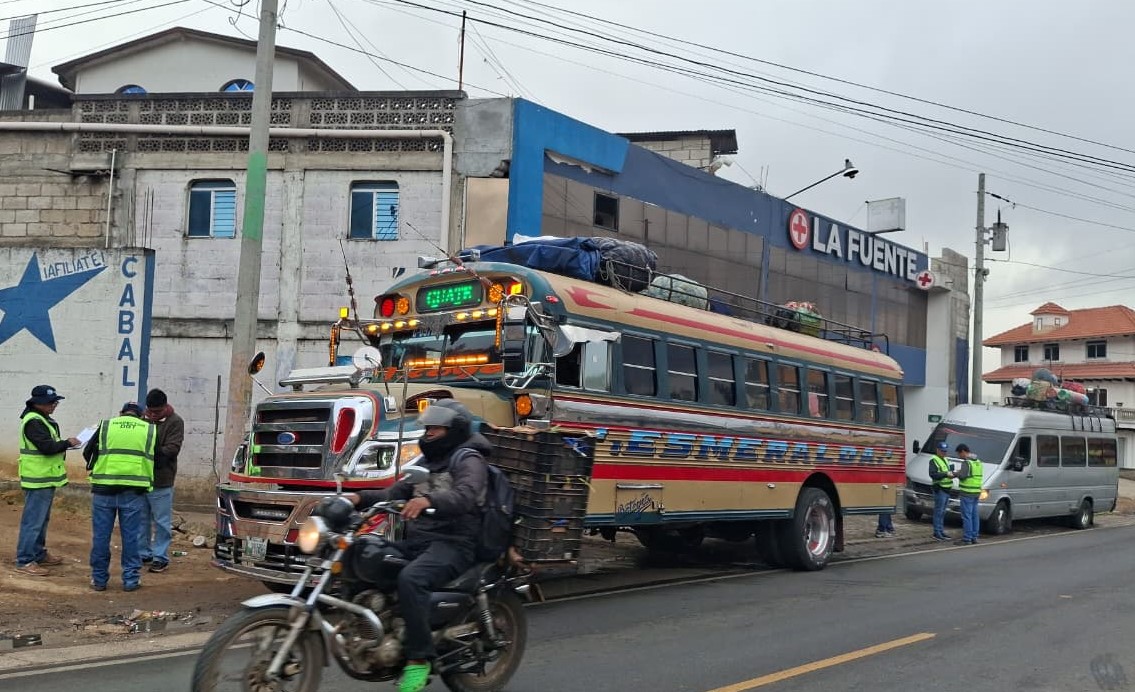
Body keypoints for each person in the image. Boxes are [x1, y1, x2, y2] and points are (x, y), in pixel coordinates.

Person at [342, 399, 488, 692]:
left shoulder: (469, 460)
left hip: (455, 543)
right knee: (364, 554)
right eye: (429, 427)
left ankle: (419, 660)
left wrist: (429, 501)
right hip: (420, 541)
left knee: (412, 579)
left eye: (437, 427)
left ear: (455, 430)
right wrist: (355, 498)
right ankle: (373, 627)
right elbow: (394, 491)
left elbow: (465, 495)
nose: (429, 432)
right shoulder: (426, 463)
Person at [83, 402, 156, 592]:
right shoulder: (148, 429)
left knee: (101, 537)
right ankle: (131, 580)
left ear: (121, 413)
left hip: (103, 489)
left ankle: (99, 580)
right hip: (133, 490)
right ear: (140, 416)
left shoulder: (106, 425)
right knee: (131, 537)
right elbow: (158, 457)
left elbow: (87, 452)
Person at [15, 385, 80, 577]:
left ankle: (38, 553)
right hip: (37, 479)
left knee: (41, 520)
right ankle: (25, 560)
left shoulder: (41, 419)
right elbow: (46, 447)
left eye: (55, 402)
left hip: (43, 478)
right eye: (52, 402)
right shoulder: (34, 421)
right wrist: (68, 443)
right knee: (33, 521)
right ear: (39, 403)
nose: (54, 405)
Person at [139, 388, 184, 573]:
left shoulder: (175, 422)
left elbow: (172, 449)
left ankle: (160, 557)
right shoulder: (142, 419)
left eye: (156, 412)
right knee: (141, 521)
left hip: (162, 480)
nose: (152, 415)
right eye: (150, 411)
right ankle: (143, 553)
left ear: (165, 407)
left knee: (162, 522)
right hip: (141, 479)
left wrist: (151, 451)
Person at [955, 443, 983, 545]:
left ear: (963, 451)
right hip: (976, 492)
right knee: (975, 515)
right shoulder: (978, 462)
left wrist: (955, 473)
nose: (959, 456)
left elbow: (963, 476)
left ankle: (967, 538)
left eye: (959, 454)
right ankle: (974, 537)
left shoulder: (967, 463)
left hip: (967, 492)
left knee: (967, 516)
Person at [928, 440, 956, 541]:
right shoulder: (934, 460)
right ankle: (937, 532)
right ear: (937, 450)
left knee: (942, 512)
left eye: (945, 451)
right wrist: (946, 474)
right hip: (939, 489)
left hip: (947, 489)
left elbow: (947, 472)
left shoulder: (945, 459)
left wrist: (953, 473)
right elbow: (933, 474)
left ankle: (941, 531)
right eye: (942, 451)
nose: (944, 453)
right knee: (938, 512)